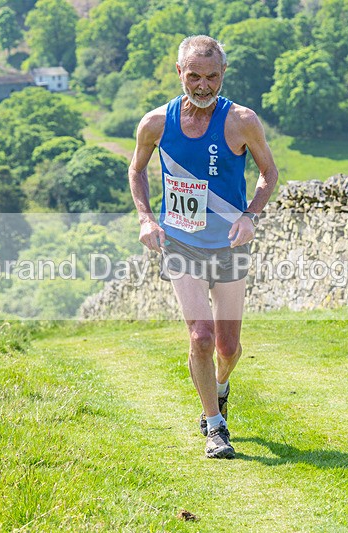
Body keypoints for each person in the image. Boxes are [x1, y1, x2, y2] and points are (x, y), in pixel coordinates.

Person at [129, 35, 279, 459]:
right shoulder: (155, 123)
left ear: (223, 75)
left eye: (211, 77)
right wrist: (145, 218)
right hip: (181, 242)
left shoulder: (241, 121)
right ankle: (215, 425)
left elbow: (269, 173)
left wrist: (250, 215)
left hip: (230, 243)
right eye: (193, 76)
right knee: (201, 335)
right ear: (179, 72)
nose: (202, 86)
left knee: (228, 347)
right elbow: (136, 170)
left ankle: (221, 384)